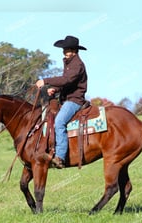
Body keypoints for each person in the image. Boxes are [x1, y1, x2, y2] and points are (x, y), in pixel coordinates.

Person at [36, 35, 88, 168]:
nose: (66, 52)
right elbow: (67, 83)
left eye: (69, 50)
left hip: (74, 100)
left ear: (75, 51)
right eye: (65, 49)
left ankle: (60, 157)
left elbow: (66, 80)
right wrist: (55, 89)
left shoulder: (77, 64)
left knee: (59, 122)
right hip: (66, 99)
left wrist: (46, 81)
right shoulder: (69, 63)